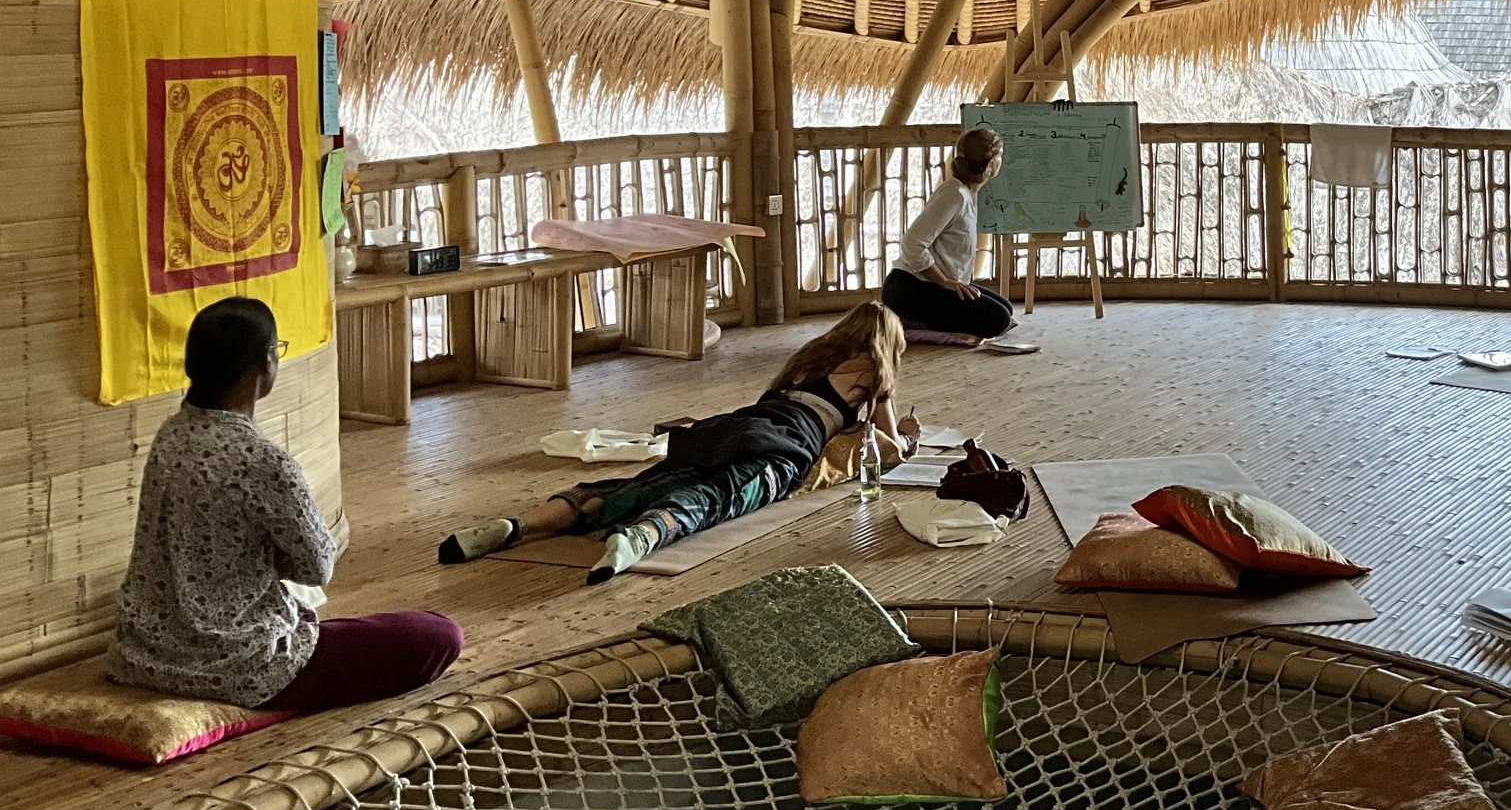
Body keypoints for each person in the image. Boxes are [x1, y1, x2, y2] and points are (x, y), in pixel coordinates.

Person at [109, 298, 464, 712]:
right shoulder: (262, 461)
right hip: (237, 667)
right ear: (265, 365)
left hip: (144, 656)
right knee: (439, 635)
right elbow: (317, 568)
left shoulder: (170, 436)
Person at [438, 304, 922, 583]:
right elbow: (891, 444)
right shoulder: (875, 372)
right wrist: (907, 436)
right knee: (714, 497)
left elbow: (769, 401)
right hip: (783, 446)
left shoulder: (809, 357)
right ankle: (638, 539)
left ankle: (519, 523)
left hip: (732, 426)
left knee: (641, 482)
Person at [881, 127, 1017, 341]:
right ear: (990, 164)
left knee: (1006, 309)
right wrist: (944, 281)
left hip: (928, 286)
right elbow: (912, 243)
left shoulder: (968, 191)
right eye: (1000, 155)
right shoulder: (954, 194)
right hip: (909, 289)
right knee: (997, 319)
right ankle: (909, 322)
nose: (1002, 160)